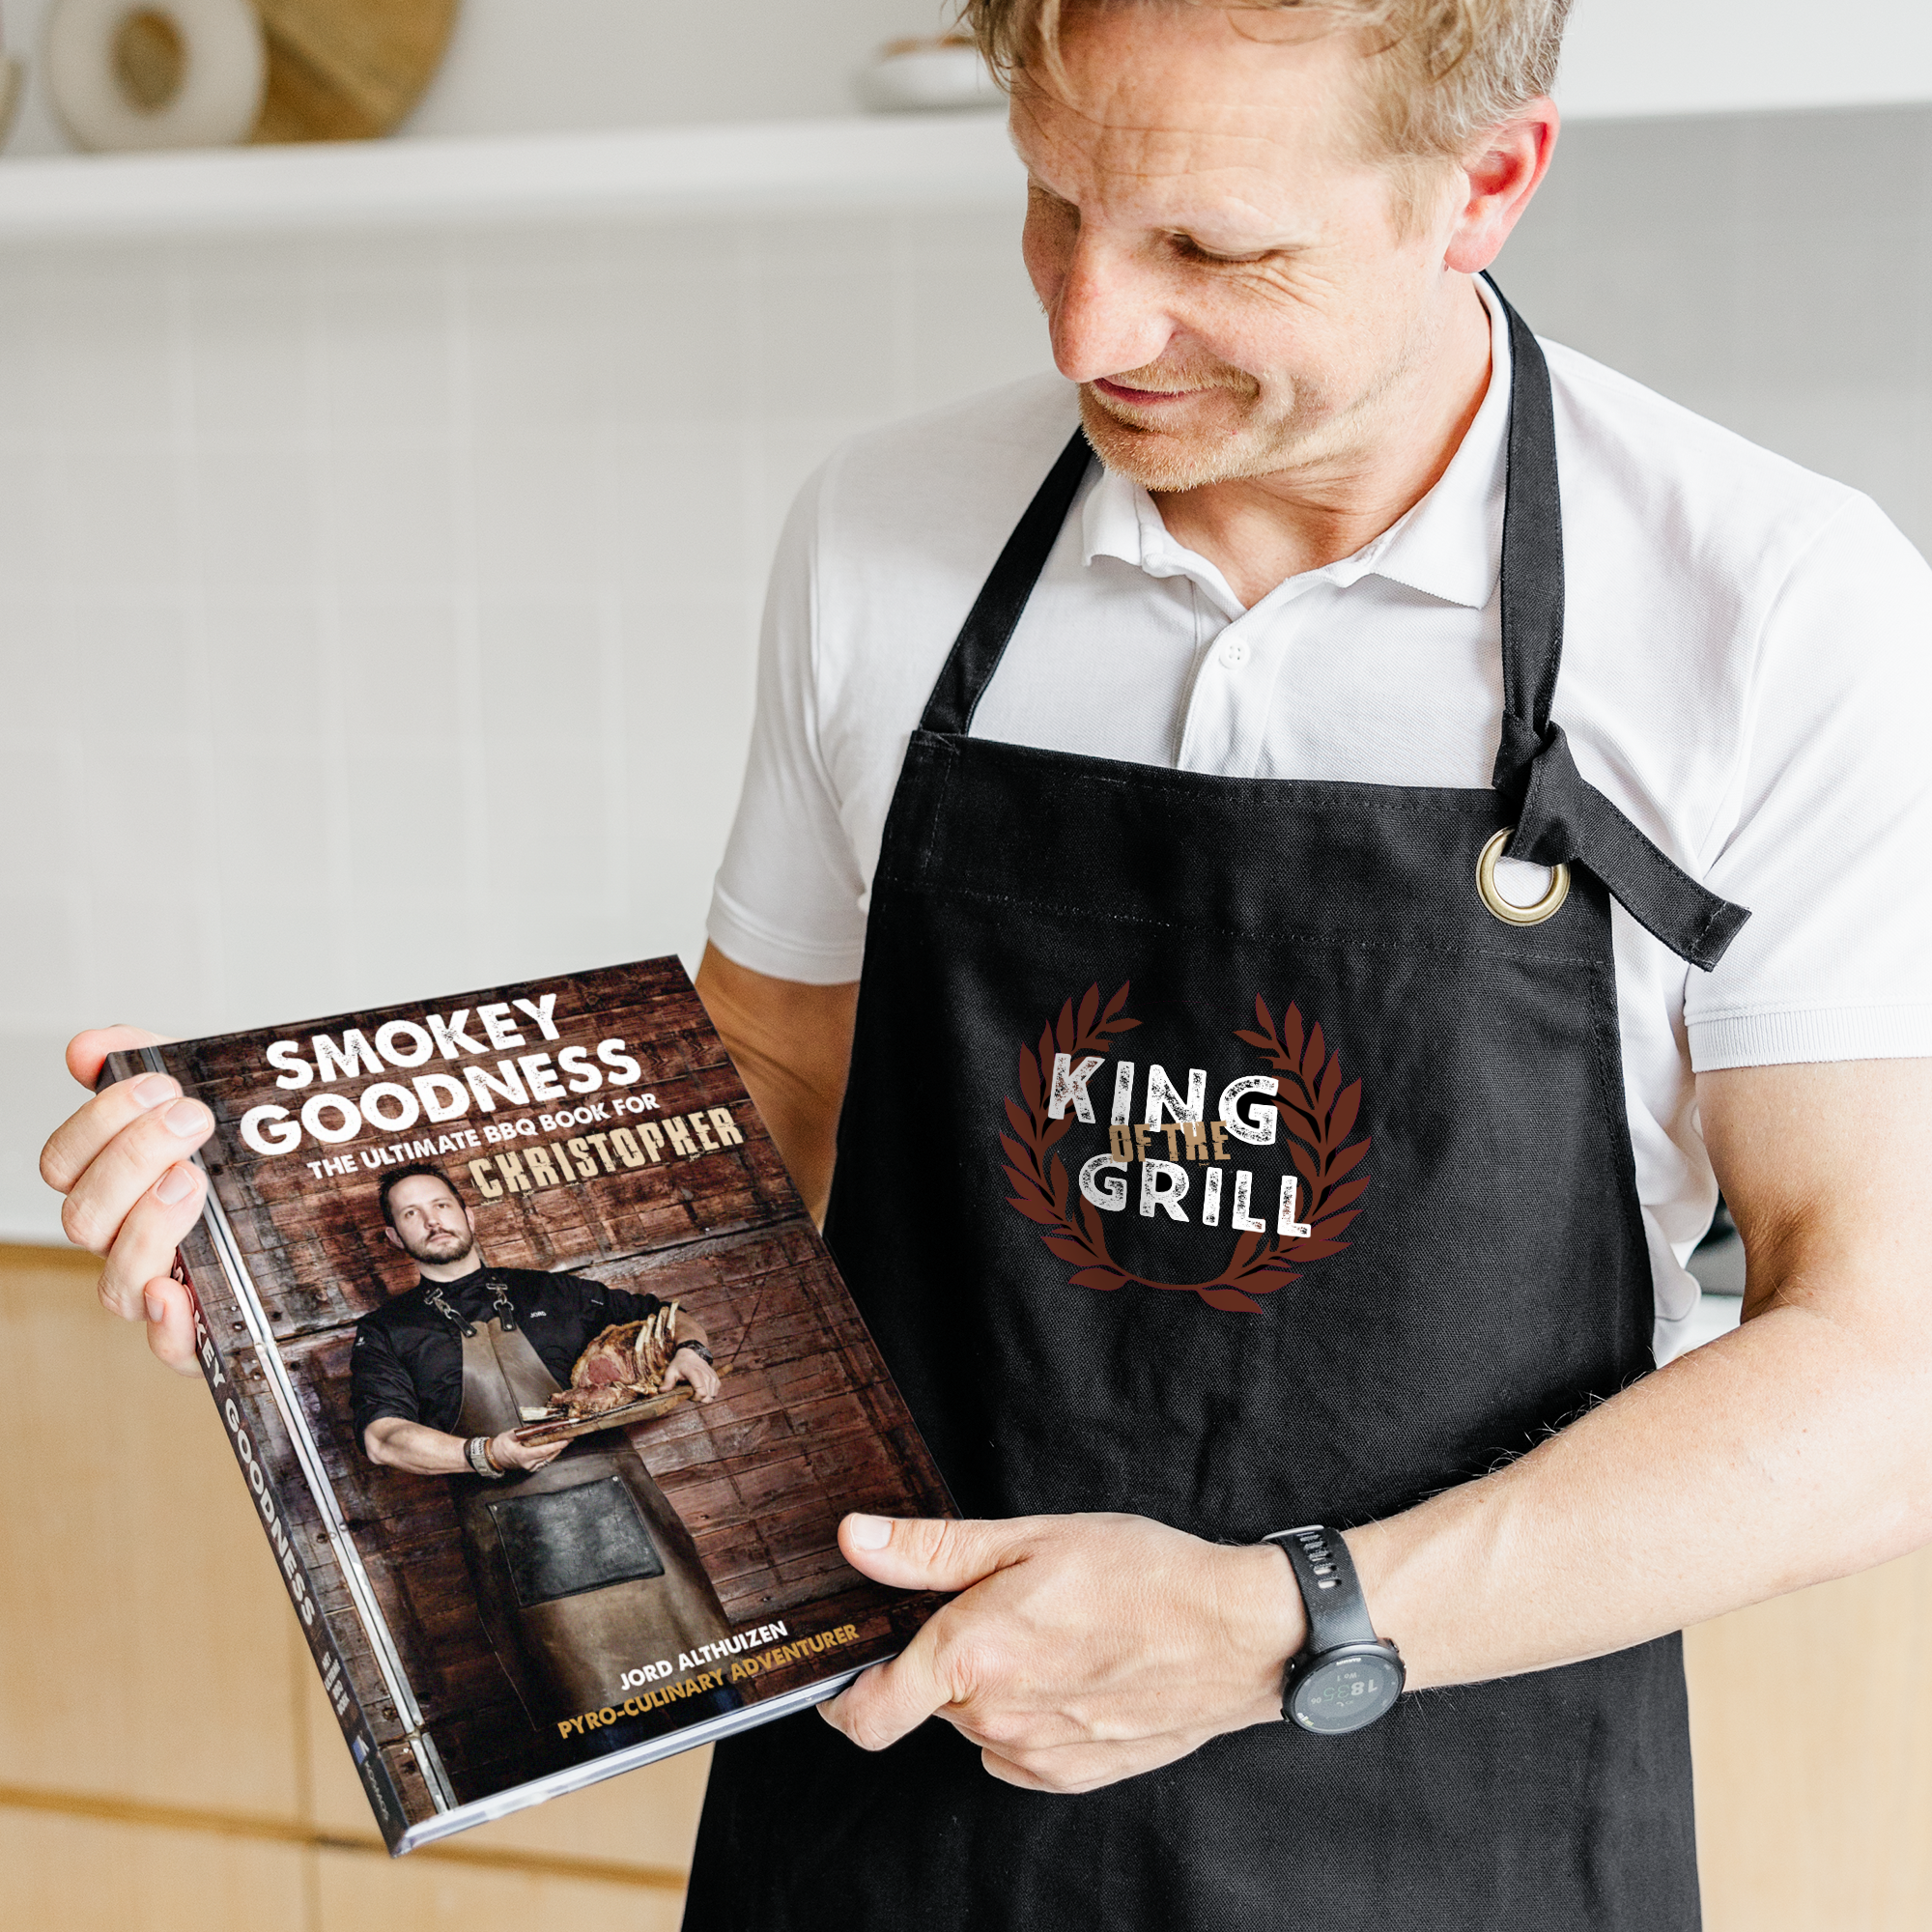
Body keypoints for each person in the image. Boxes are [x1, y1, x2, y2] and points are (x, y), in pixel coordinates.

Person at [38, 0, 1932, 1925]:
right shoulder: (887, 541)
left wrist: (1279, 1617)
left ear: (1488, 183)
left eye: (1208, 248)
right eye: (1049, 204)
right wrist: (308, 1235)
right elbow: (753, 1116)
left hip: (1452, 1828)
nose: (1086, 330)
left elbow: (1885, 1362)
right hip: (891, 1826)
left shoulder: (1767, 608)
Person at [348, 1160, 735, 1750]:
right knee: (599, 1731)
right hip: (522, 1547)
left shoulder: (554, 1291)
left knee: (721, 1706)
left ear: (467, 1213)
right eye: (411, 1214)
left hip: (631, 1523)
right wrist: (485, 1453)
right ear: (394, 1239)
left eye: (441, 1205)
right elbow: (384, 1437)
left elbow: (670, 1315)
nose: (432, 1220)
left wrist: (690, 1349)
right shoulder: (387, 1330)